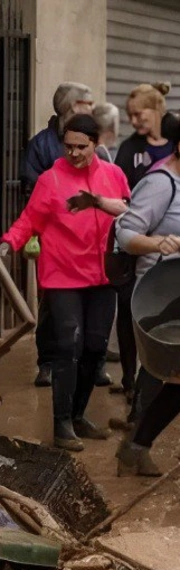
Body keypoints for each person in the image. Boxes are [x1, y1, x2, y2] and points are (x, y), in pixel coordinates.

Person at [0, 114, 130, 451]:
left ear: (95, 144)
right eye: (67, 146)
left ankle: (78, 414)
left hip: (102, 274)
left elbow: (131, 212)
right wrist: (8, 243)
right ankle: (61, 424)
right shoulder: (50, 179)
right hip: (62, 275)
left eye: (80, 147)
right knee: (68, 346)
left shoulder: (113, 175)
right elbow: (29, 219)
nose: (72, 153)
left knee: (95, 347)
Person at [110, 83, 180, 413]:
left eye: (141, 114)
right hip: (149, 269)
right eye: (131, 115)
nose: (136, 120)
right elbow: (126, 214)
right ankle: (134, 397)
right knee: (143, 333)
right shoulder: (141, 160)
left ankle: (139, 427)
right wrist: (154, 240)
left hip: (171, 274)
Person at [114, 137, 180, 476]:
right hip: (160, 295)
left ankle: (136, 444)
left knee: (172, 377)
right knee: (160, 372)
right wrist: (158, 243)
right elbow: (124, 233)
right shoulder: (160, 184)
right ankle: (136, 443)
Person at [21, 82, 94, 388]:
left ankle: (88, 362)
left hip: (87, 237)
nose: (89, 109)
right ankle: (47, 363)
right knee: (52, 303)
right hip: (54, 237)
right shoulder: (41, 145)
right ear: (66, 108)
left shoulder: (91, 141)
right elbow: (31, 184)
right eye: (83, 104)